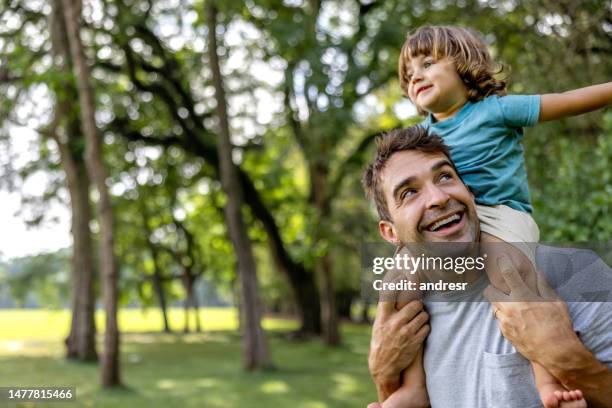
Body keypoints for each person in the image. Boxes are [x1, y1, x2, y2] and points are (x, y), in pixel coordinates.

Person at [391, 25, 612, 407]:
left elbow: (565, 100)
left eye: (427, 63)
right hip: (458, 218)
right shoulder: (420, 137)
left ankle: (549, 381)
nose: (417, 77)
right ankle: (411, 387)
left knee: (514, 284)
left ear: (463, 64)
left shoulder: (495, 111)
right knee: (398, 278)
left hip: (501, 215)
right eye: (409, 76)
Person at [362, 127, 612, 407]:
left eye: (445, 176)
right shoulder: (406, 320)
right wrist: (383, 379)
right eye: (409, 192)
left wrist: (567, 359)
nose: (438, 197)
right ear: (390, 232)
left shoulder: (579, 274)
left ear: (468, 192)